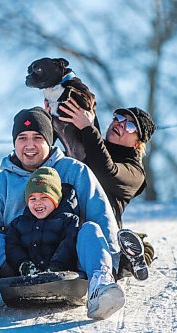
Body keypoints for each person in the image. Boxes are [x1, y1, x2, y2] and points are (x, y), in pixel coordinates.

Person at [0, 107, 134, 321]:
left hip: (69, 263)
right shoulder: (1, 184)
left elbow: (101, 217)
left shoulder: (74, 171)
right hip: (20, 267)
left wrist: (113, 261)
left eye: (37, 137)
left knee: (91, 229)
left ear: (50, 141)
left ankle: (102, 287)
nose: (29, 145)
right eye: (22, 138)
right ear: (14, 143)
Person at [57, 99, 156, 280]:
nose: (121, 124)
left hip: (99, 232)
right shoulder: (92, 144)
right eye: (119, 117)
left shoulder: (135, 173)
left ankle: (129, 259)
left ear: (137, 143)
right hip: (66, 222)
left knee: (96, 239)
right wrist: (55, 114)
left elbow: (106, 172)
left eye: (131, 126)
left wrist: (88, 128)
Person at [6, 166, 79, 276]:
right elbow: (12, 247)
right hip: (30, 276)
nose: (38, 203)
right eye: (32, 199)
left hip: (61, 275)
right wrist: (23, 264)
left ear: (56, 200)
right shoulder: (18, 224)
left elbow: (67, 246)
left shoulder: (68, 221)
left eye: (44, 197)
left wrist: (56, 266)